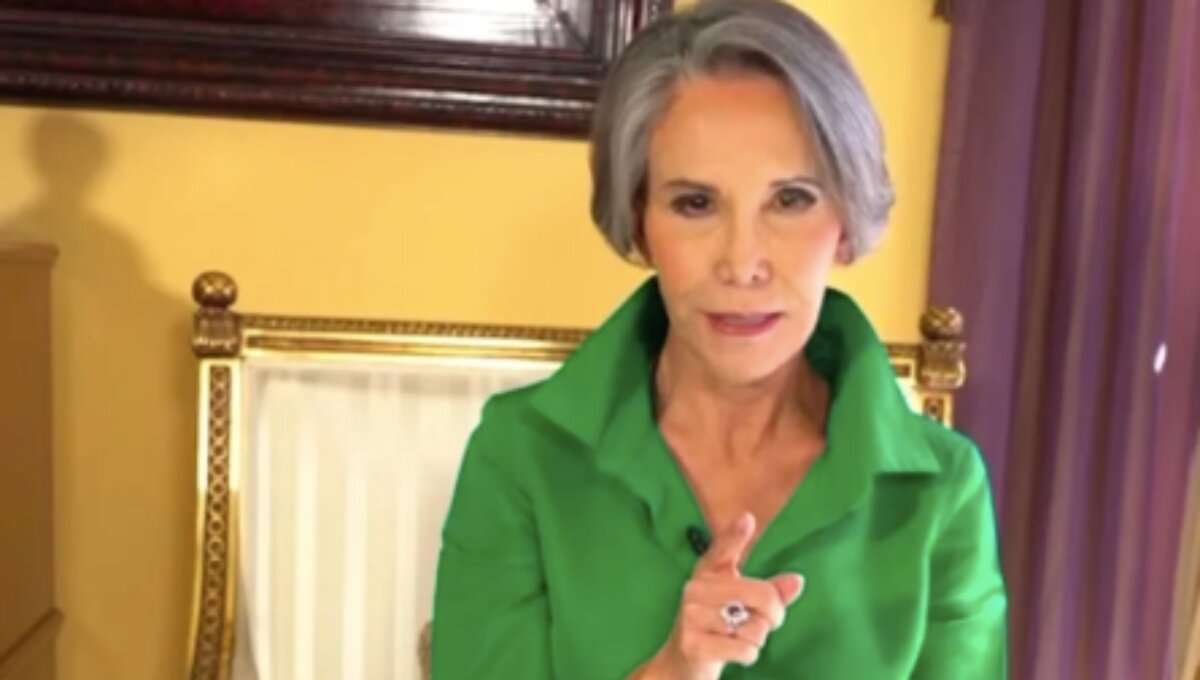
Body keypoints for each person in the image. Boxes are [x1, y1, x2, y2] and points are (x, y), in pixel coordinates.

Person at [431, 1, 1007, 677]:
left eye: (790, 200)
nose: (742, 263)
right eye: (696, 204)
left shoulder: (944, 489)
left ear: (846, 223)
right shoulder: (520, 455)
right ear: (640, 223)